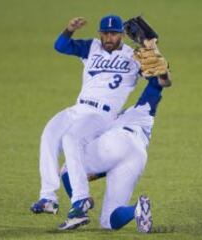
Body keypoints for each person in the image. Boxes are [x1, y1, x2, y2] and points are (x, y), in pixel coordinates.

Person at [31, 15, 142, 214]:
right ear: (100, 34)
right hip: (79, 108)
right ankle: (48, 197)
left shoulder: (134, 56)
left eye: (114, 34)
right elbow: (60, 46)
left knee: (71, 138)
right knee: (49, 133)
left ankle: (81, 198)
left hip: (102, 114)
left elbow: (158, 77)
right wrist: (69, 28)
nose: (109, 37)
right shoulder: (90, 47)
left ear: (122, 35)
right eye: (105, 33)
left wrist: (152, 50)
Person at [58, 73, 172, 231]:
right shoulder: (142, 111)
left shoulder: (108, 120)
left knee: (67, 169)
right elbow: (155, 86)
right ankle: (137, 208)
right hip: (137, 156)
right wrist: (160, 73)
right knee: (108, 222)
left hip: (117, 140)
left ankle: (79, 210)